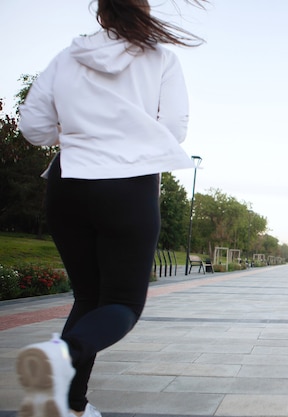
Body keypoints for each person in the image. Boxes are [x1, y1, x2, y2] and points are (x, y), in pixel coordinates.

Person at [16, 1, 208, 416]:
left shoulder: (66, 58)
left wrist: (72, 133)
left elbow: (32, 127)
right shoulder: (161, 59)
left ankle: (70, 406)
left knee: (88, 298)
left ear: (101, 12)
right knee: (122, 304)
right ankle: (60, 355)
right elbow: (174, 128)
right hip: (128, 185)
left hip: (68, 182)